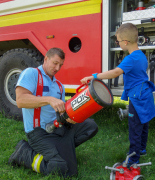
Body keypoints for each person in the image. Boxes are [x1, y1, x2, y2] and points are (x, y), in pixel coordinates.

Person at [9, 47, 98, 178]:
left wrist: (70, 117)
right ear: (46, 59)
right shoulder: (31, 74)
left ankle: (61, 150)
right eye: (55, 63)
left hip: (57, 128)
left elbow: (61, 112)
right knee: (61, 168)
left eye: (60, 65)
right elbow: (21, 101)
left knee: (91, 126)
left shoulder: (59, 86)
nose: (57, 68)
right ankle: (24, 153)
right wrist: (49, 100)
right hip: (38, 132)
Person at [80, 23, 155, 167]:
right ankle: (141, 149)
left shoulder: (130, 58)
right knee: (143, 123)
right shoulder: (141, 55)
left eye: (118, 41)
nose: (118, 43)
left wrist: (94, 76)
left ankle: (133, 159)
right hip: (145, 94)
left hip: (137, 96)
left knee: (135, 127)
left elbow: (116, 72)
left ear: (125, 42)